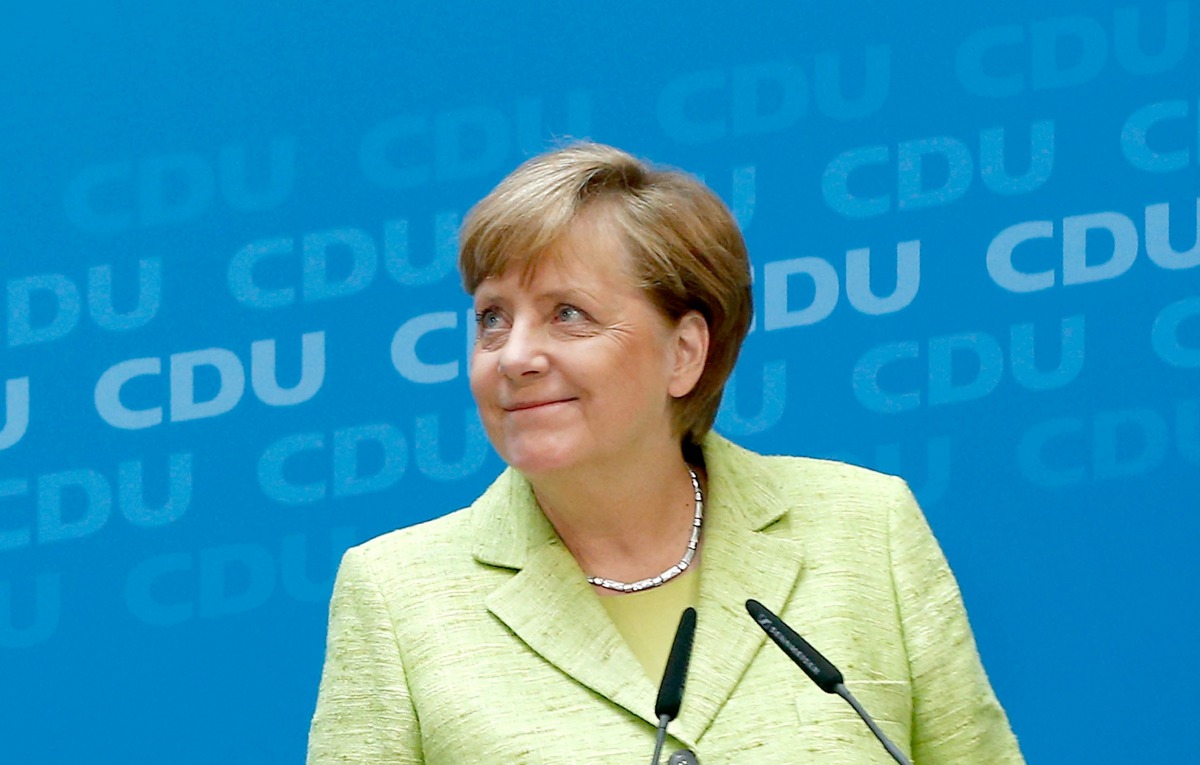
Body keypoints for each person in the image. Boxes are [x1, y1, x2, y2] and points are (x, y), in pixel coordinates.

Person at [307, 142, 1025, 763]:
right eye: (493, 318)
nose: (515, 355)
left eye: (568, 314)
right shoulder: (398, 598)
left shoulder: (866, 528)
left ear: (683, 352)